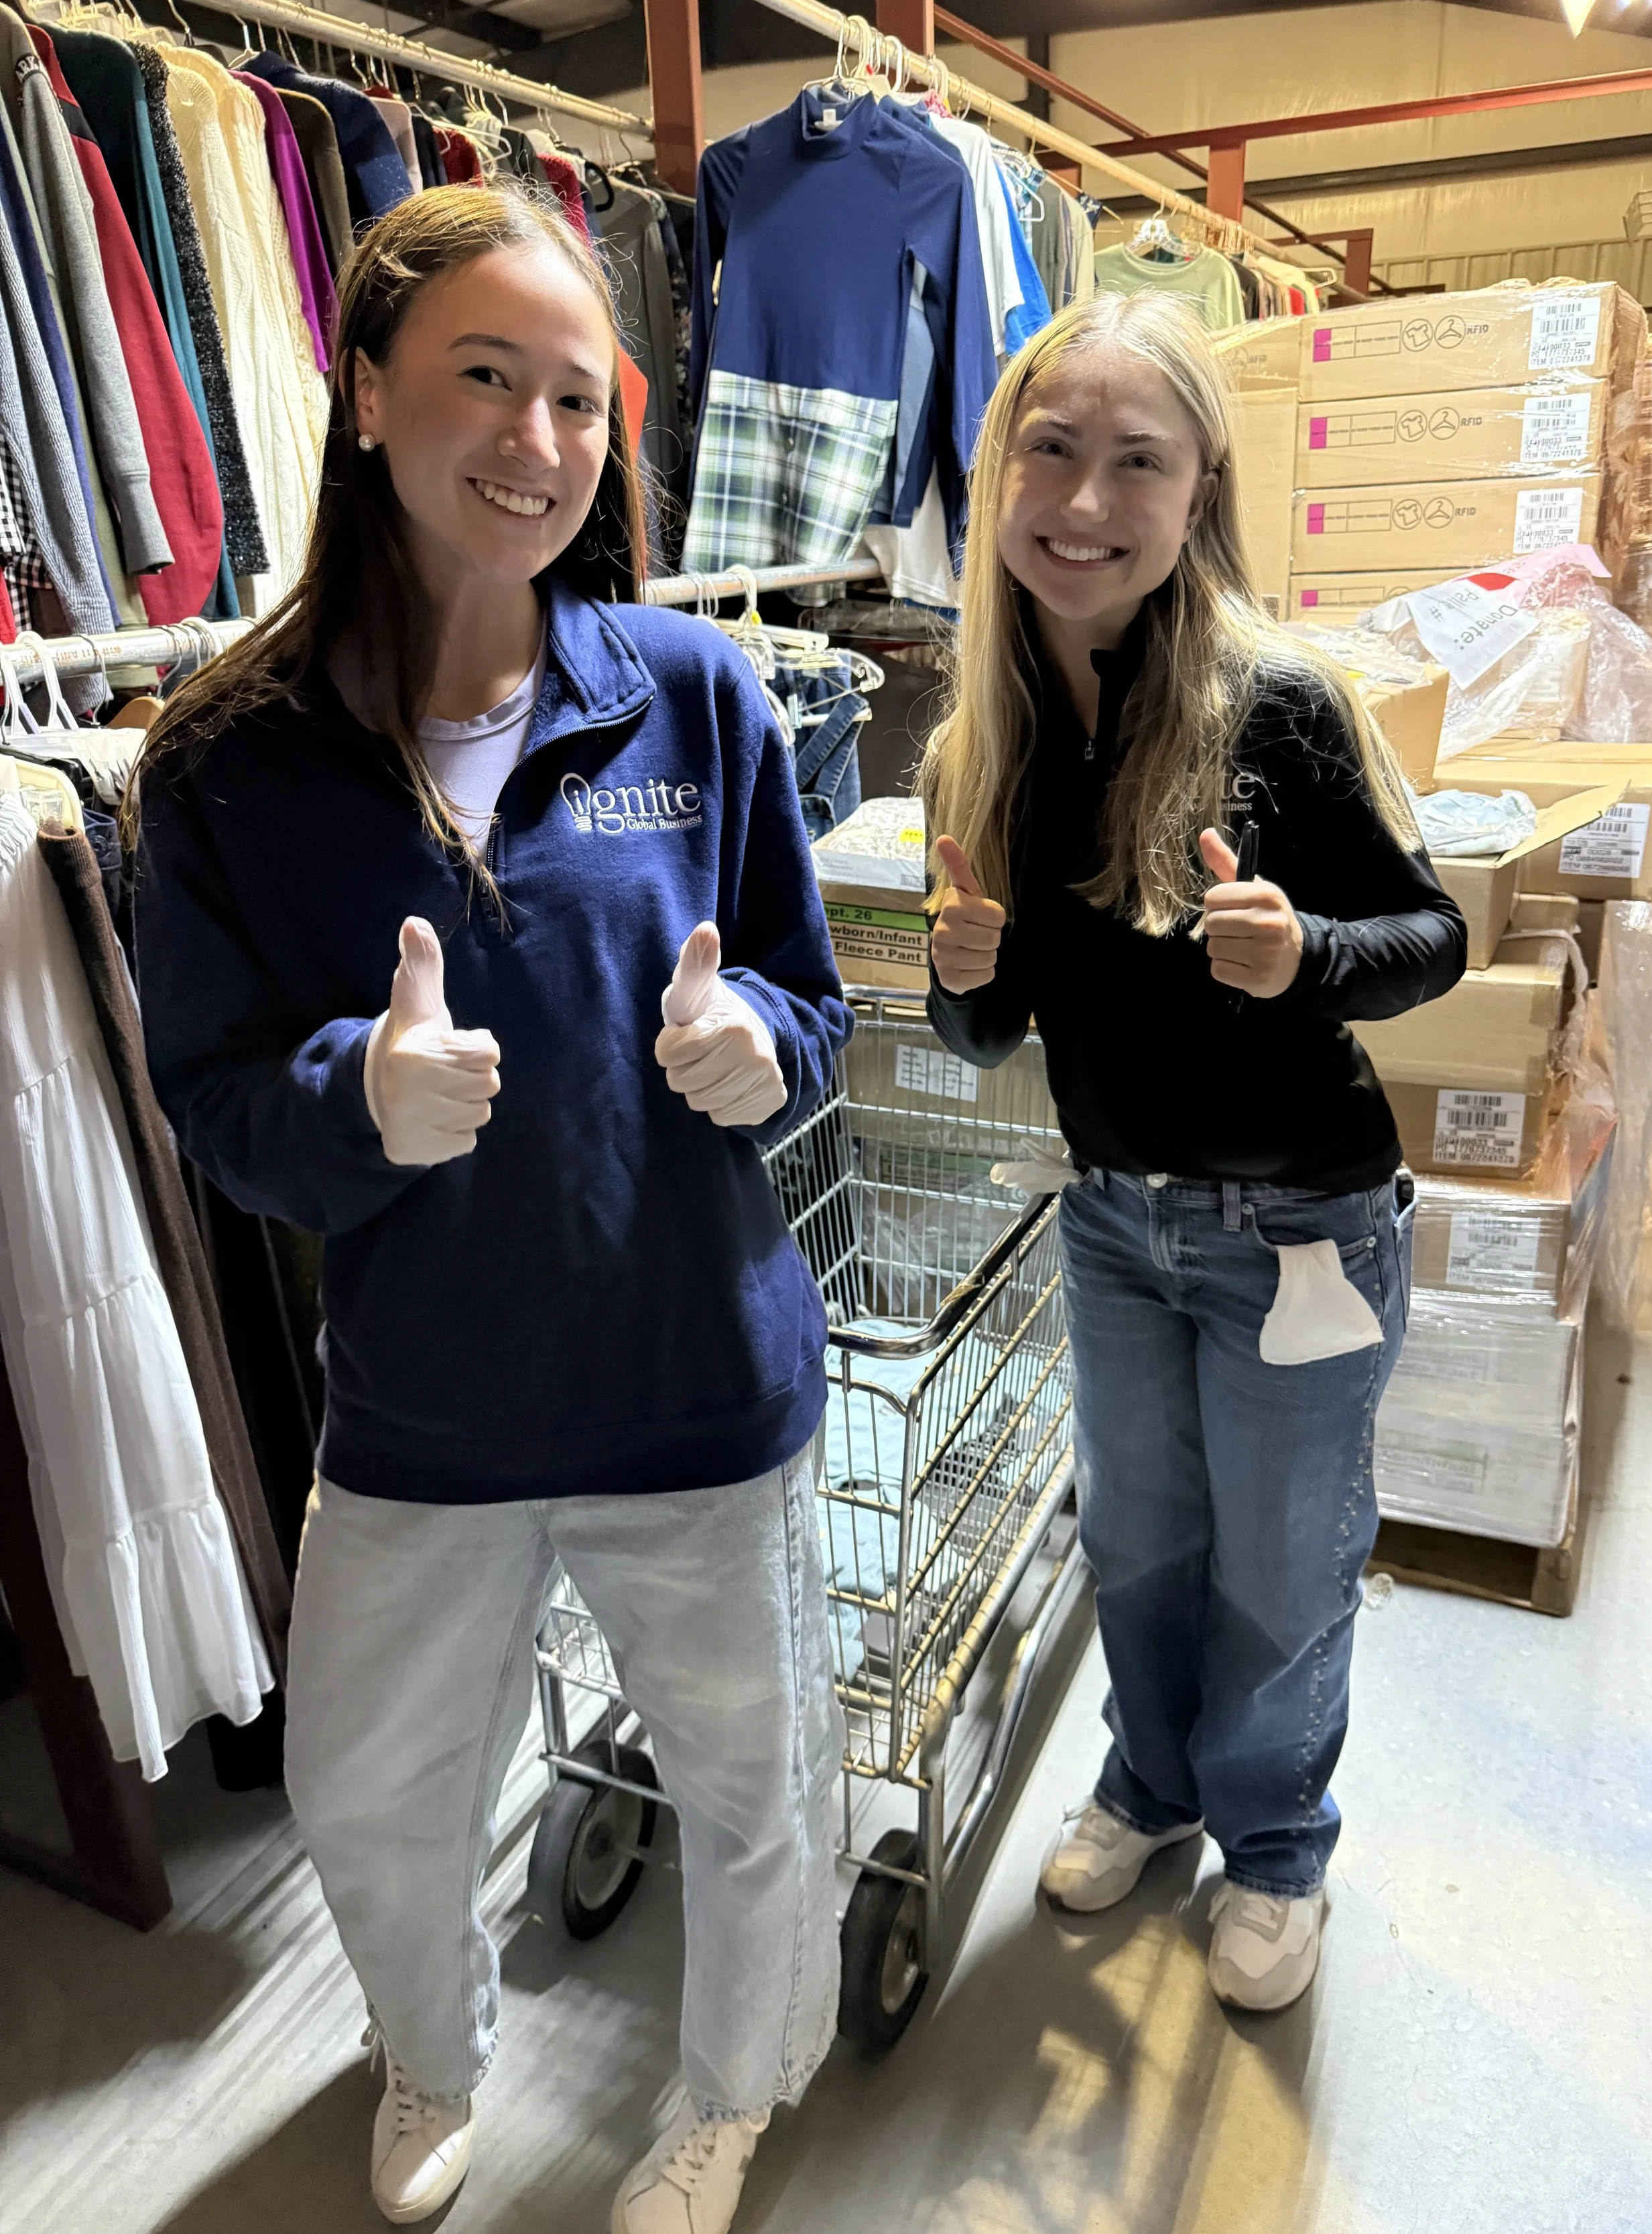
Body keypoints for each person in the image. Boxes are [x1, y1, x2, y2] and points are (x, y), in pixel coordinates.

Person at [130, 185, 850, 2233]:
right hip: (426, 1415)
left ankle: (723, 2097)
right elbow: (211, 1105)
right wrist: (350, 1094)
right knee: (373, 1796)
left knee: (752, 1783)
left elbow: (811, 992)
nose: (537, 444)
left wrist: (763, 1054)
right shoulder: (226, 764)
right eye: (479, 379)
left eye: (571, 397)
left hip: (696, 1387)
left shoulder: (693, 694)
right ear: (362, 391)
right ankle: (429, 2050)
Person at [921, 292, 1466, 2013]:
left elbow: (1431, 938)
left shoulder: (1274, 705)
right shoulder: (987, 729)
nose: (1084, 502)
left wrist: (1304, 949)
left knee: (1281, 1561)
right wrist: (958, 981)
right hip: (1110, 1222)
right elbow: (990, 1034)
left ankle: (1274, 1843)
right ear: (1000, 466)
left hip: (1297, 1226)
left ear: (1196, 490)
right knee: (1139, 1545)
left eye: (1133, 462)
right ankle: (1153, 1788)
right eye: (1052, 449)